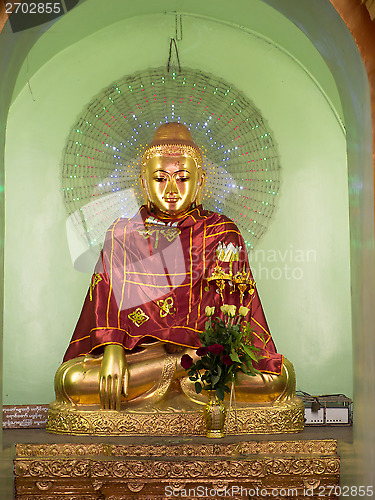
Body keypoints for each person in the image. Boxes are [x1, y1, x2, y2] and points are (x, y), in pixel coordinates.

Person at [54, 122, 295, 411]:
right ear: (143, 183)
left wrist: (210, 355)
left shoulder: (221, 233)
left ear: (201, 182)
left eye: (182, 178)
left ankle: (181, 370)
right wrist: (113, 350)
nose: (171, 189)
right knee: (70, 381)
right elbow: (106, 304)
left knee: (279, 379)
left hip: (205, 360)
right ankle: (179, 370)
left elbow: (238, 312)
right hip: (140, 357)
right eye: (160, 178)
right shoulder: (123, 234)